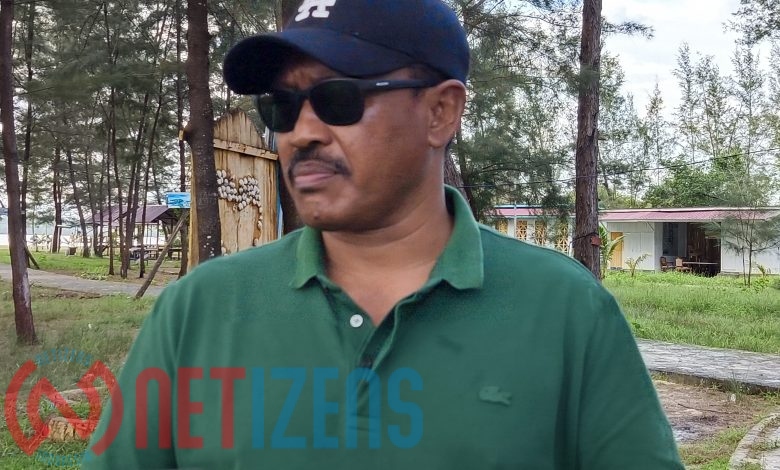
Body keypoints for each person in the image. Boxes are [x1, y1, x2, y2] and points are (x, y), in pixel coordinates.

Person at [83, 0, 684, 468]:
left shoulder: (565, 310)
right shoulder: (199, 309)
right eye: (282, 107)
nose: (302, 133)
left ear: (441, 113)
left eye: (338, 98)